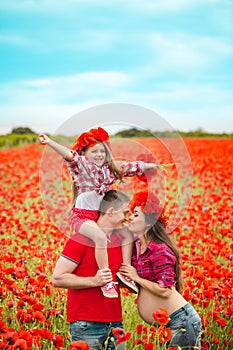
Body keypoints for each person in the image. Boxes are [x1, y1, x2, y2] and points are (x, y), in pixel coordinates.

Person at [39, 127, 159, 298]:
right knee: (100, 237)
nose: (99, 154)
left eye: (102, 151)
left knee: (127, 234)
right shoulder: (81, 166)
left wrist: (152, 166)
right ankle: (106, 279)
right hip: (82, 216)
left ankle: (124, 272)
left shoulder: (110, 169)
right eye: (94, 151)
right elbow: (69, 155)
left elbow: (131, 167)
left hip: (97, 216)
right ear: (84, 153)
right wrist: (50, 142)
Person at [119, 190, 202, 349]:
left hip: (181, 321)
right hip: (166, 325)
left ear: (149, 222)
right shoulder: (137, 246)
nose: (130, 217)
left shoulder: (159, 250)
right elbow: (123, 234)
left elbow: (166, 291)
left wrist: (136, 278)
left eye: (136, 215)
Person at [52, 190, 130, 349]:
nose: (128, 217)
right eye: (125, 212)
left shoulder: (119, 241)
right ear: (111, 211)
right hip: (86, 323)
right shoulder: (81, 240)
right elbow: (57, 278)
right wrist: (94, 281)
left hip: (115, 321)